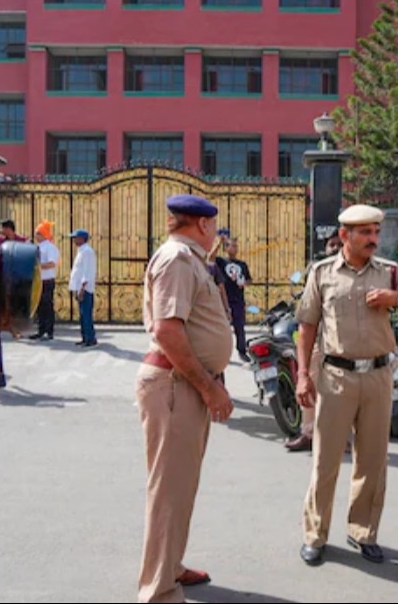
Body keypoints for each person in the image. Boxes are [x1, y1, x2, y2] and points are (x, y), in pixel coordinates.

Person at [295, 204, 398, 566]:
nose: (373, 239)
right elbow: (306, 326)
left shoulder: (389, 273)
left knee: (373, 460)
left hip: (378, 378)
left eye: (375, 232)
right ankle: (315, 534)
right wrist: (303, 374)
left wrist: (395, 299)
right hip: (336, 376)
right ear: (344, 236)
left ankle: (363, 531)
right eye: (365, 233)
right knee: (325, 461)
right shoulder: (322, 273)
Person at [135, 194, 235, 603]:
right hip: (177, 385)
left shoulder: (188, 258)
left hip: (185, 385)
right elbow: (168, 331)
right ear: (204, 225)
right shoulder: (178, 258)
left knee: (180, 488)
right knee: (168, 492)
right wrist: (210, 387)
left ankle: (171, 566)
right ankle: (158, 591)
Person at [286, 230, 343, 452]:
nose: (335, 248)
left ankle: (340, 437)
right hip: (317, 338)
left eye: (339, 244)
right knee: (309, 383)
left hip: (343, 343)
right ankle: (308, 433)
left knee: (340, 391)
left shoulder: (357, 271)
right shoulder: (316, 270)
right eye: (332, 244)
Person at [216, 236, 253, 360]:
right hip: (223, 299)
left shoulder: (242, 264)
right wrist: (218, 242)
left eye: (236, 246)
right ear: (226, 248)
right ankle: (221, 353)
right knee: (222, 328)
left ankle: (242, 351)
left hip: (238, 300)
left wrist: (245, 283)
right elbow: (209, 258)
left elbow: (249, 279)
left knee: (239, 326)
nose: (235, 248)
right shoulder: (221, 262)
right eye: (232, 245)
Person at [30, 221, 60, 341]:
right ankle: (41, 330)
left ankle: (49, 331)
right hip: (38, 280)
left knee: (47, 305)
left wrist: (38, 266)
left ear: (43, 234)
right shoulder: (37, 247)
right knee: (40, 306)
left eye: (38, 233)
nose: (36, 236)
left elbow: (52, 263)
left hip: (47, 280)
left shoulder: (50, 247)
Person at [68, 229, 98, 347]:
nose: (74, 240)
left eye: (76, 237)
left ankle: (90, 338)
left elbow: (87, 271)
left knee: (86, 314)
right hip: (79, 287)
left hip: (85, 288)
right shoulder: (81, 251)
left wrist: (82, 288)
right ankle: (85, 337)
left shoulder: (87, 252)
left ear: (82, 239)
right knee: (82, 314)